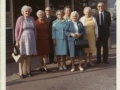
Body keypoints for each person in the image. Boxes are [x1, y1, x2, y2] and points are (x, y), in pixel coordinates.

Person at [15, 5, 36, 78]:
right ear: (23, 12)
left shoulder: (32, 18)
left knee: (29, 55)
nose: (27, 12)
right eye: (25, 11)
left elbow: (34, 29)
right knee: (22, 55)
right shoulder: (20, 19)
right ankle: (21, 72)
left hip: (31, 39)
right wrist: (17, 41)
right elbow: (17, 31)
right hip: (23, 39)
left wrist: (35, 38)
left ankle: (28, 71)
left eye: (28, 11)